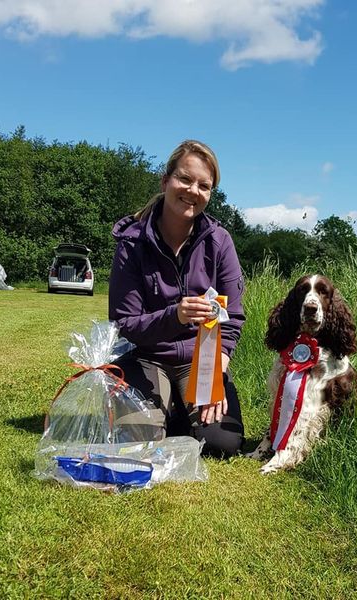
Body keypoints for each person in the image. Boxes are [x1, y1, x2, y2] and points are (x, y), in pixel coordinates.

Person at [109, 140, 245, 457]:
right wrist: (176, 316)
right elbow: (125, 323)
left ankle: (179, 408)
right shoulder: (132, 243)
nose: (193, 190)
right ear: (166, 180)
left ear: (210, 193)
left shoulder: (220, 241)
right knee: (139, 438)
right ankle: (162, 408)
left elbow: (233, 319)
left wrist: (215, 375)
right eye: (185, 179)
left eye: (204, 185)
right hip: (146, 357)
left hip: (200, 359)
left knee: (223, 443)